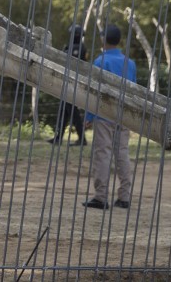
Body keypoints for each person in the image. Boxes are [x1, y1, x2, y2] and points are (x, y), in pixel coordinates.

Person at [82, 24, 136, 210]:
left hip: (104, 113)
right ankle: (124, 197)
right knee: (122, 152)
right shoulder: (130, 63)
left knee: (102, 153)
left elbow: (94, 91)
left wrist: (89, 115)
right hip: (124, 115)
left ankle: (101, 196)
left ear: (103, 39)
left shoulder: (100, 61)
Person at [48, 25, 88, 146]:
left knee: (73, 112)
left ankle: (82, 139)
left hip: (72, 83)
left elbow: (70, 61)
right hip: (67, 82)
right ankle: (58, 137)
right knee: (63, 111)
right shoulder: (71, 46)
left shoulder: (79, 48)